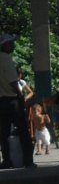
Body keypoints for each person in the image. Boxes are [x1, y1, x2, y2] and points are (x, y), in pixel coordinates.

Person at [0, 33, 36, 169]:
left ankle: (6, 161)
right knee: (23, 131)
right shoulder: (7, 59)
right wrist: (21, 97)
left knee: (4, 132)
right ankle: (28, 161)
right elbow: (13, 83)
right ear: (6, 45)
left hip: (1, 101)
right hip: (12, 101)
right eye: (11, 43)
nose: (13, 45)